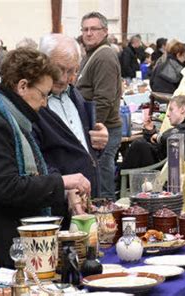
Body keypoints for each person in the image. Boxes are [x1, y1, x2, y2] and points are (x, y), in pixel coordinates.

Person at [0, 48, 91, 268]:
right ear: (22, 86)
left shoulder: (13, 118)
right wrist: (63, 182)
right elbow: (8, 186)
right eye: (43, 94)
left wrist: (65, 190)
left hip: (1, 234)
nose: (45, 103)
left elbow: (37, 168)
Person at [35, 33, 109, 227]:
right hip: (57, 206)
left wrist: (99, 142)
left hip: (86, 200)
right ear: (43, 62)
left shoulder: (75, 95)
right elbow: (36, 157)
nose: (64, 77)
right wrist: (64, 186)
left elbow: (81, 144)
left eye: (72, 71)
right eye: (58, 69)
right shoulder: (35, 103)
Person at [76, 11, 122, 200]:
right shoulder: (92, 54)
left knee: (102, 181)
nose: (88, 33)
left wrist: (94, 128)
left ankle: (106, 220)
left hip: (104, 128)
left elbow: (104, 99)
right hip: (99, 127)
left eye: (94, 29)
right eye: (85, 29)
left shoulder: (104, 56)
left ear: (105, 31)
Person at [122, 95, 185, 169]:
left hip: (165, 172)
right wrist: (150, 132)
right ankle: (119, 179)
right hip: (160, 165)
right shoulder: (178, 129)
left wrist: (159, 137)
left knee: (139, 144)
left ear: (182, 110)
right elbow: (159, 145)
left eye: (171, 109)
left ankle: (119, 181)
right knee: (139, 145)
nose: (168, 114)